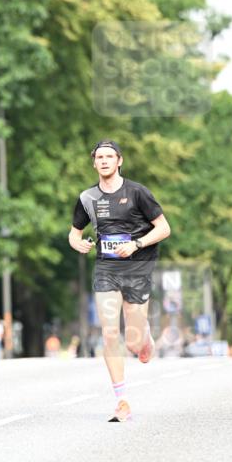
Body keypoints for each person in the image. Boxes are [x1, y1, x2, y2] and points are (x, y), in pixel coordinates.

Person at [69, 140, 171, 422]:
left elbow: (164, 228)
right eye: (99, 157)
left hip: (138, 267)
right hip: (106, 268)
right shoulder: (87, 197)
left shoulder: (138, 193)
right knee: (110, 332)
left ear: (119, 161)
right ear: (94, 163)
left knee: (135, 344)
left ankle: (145, 336)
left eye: (109, 156)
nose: (104, 161)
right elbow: (74, 232)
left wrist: (137, 244)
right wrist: (77, 243)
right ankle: (121, 400)